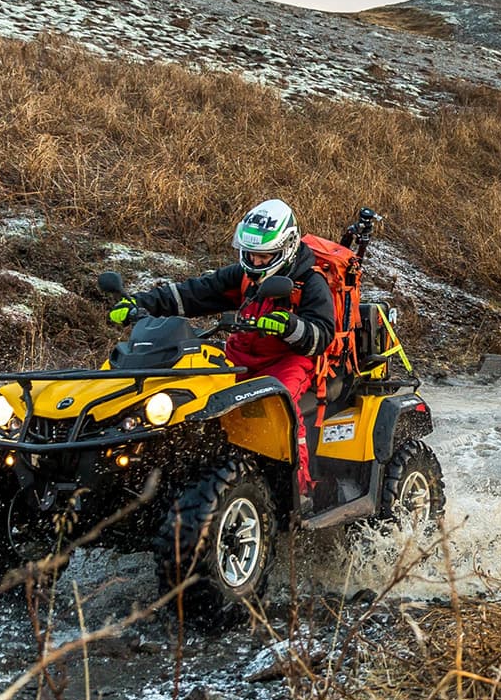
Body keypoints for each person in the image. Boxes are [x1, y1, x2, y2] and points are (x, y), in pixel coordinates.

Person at [109, 198, 335, 499]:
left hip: (289, 361)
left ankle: (298, 490)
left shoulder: (311, 283)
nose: (256, 263)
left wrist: (289, 326)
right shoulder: (244, 275)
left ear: (287, 247)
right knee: (192, 392)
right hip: (238, 355)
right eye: (250, 254)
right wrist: (141, 303)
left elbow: (323, 335)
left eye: (264, 256)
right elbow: (194, 293)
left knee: (279, 401)